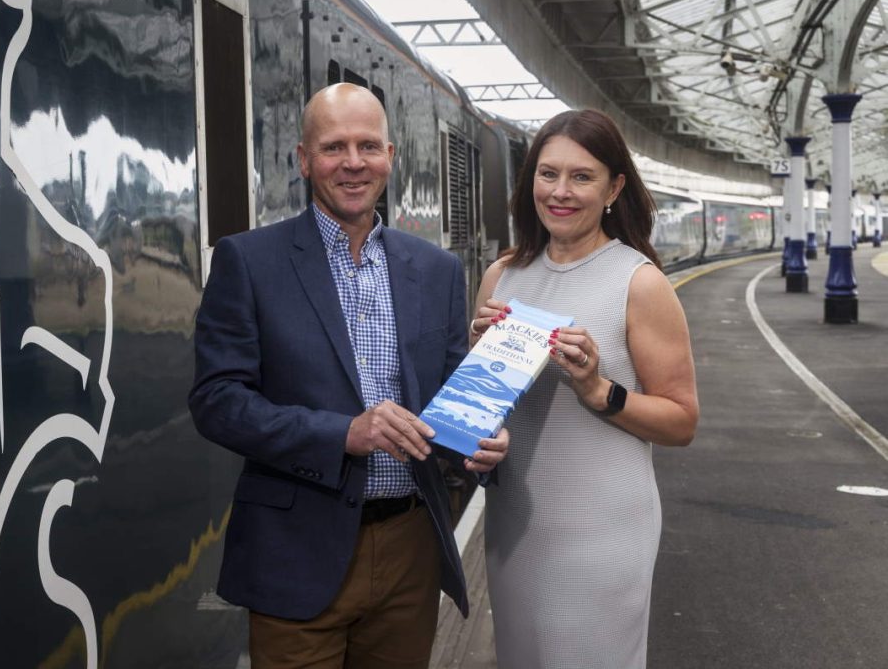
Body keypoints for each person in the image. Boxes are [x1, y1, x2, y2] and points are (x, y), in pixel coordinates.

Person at [189, 82, 509, 669]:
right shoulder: (249, 262)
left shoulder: (434, 271)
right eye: (335, 147)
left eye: (368, 146)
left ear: (391, 155)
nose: (354, 163)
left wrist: (480, 439)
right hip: (298, 551)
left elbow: (450, 389)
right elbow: (217, 401)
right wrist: (343, 434)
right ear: (304, 160)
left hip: (410, 549)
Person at [472, 108, 698, 668]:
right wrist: (474, 386)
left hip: (602, 529)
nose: (560, 192)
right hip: (515, 524)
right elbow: (484, 412)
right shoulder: (501, 276)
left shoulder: (639, 282)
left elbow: (682, 420)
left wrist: (600, 390)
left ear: (614, 187)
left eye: (582, 176)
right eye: (548, 174)